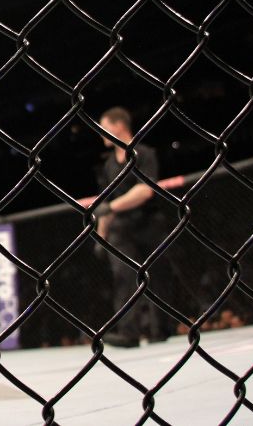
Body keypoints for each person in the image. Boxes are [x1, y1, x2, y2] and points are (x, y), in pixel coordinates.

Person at [94, 107, 169, 347]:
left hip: (148, 222)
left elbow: (144, 190)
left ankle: (161, 328)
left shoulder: (143, 154)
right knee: (124, 276)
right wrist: (101, 235)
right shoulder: (108, 166)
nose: (101, 134)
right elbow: (105, 204)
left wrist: (113, 207)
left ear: (118, 126)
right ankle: (129, 332)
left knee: (157, 275)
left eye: (104, 127)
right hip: (121, 229)